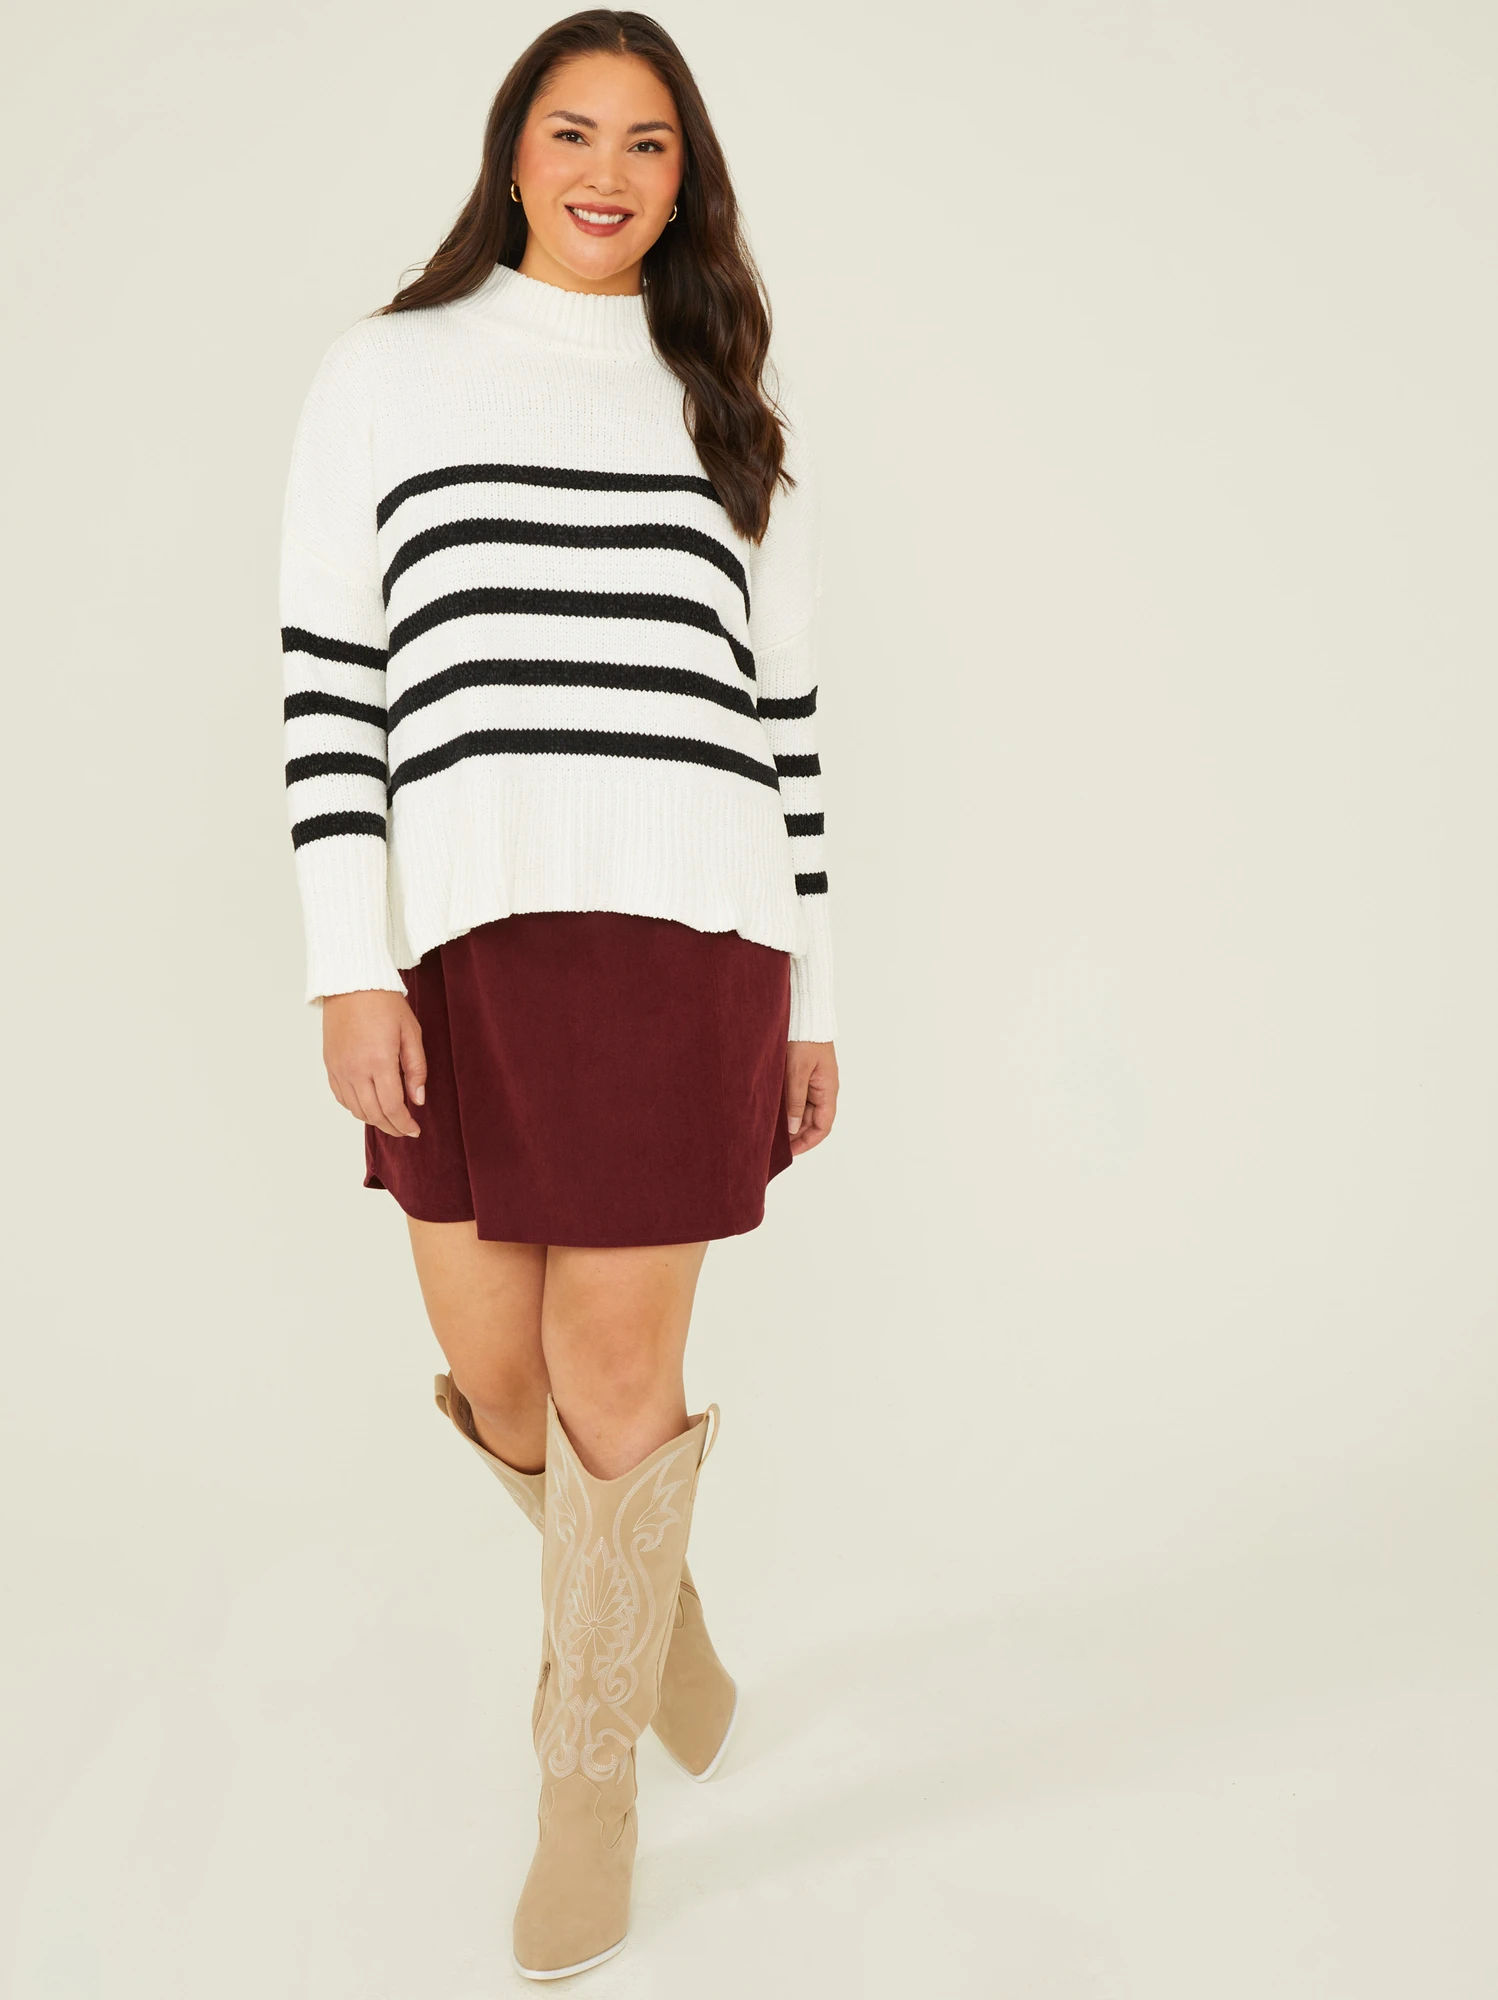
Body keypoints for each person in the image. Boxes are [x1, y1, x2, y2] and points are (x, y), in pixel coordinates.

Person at [279, 8, 838, 1980]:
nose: (607, 170)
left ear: (686, 183)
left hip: (689, 938)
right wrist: (347, 962)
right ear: (512, 151)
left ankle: (583, 1781)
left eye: (648, 142)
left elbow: (784, 728)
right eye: (573, 130)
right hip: (458, 936)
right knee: (501, 1377)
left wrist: (812, 996)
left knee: (610, 1378)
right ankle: (649, 1612)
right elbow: (329, 682)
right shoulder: (385, 372)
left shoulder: (721, 405)